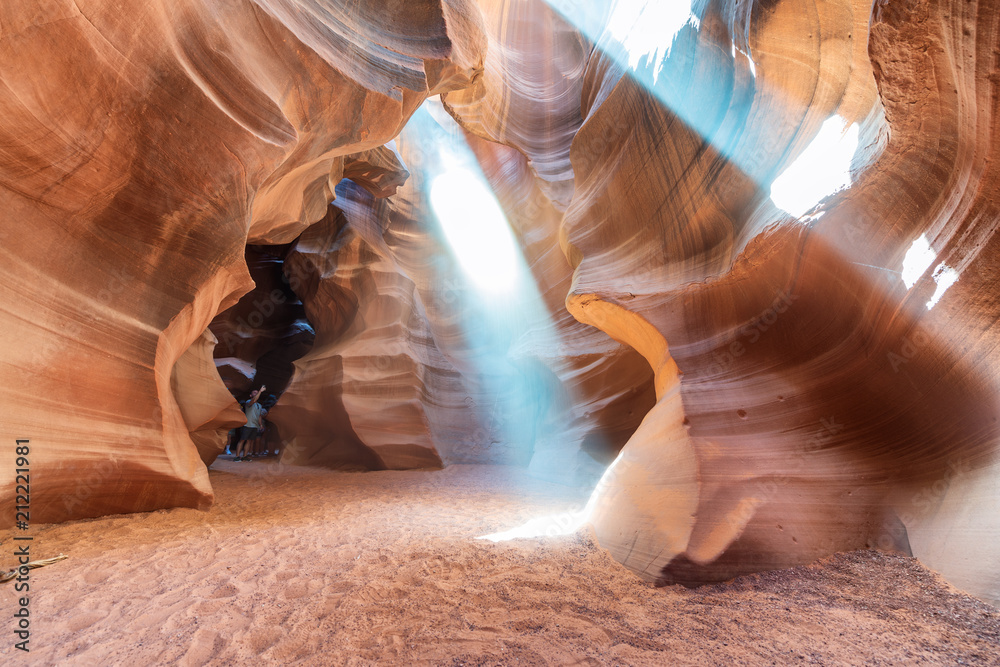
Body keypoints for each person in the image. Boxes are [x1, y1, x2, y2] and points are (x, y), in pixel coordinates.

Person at [234, 385, 266, 461]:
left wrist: (260, 425)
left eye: (257, 393)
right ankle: (237, 456)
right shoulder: (248, 402)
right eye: (254, 393)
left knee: (249, 441)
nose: (256, 393)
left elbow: (259, 416)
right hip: (247, 425)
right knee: (242, 440)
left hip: (254, 426)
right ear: (250, 395)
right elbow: (253, 400)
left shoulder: (259, 405)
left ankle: (245, 456)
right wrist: (260, 391)